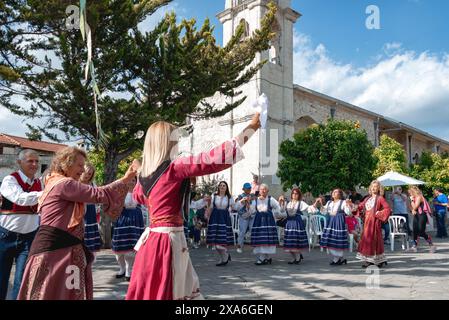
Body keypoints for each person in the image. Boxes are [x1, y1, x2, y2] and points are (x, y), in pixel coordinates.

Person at [126, 113, 261, 300]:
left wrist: (140, 170)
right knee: (173, 292)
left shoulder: (144, 177)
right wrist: (250, 129)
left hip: (153, 241)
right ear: (166, 142)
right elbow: (212, 159)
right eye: (174, 138)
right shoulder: (174, 168)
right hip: (168, 242)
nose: (177, 143)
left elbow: (138, 196)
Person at [17, 147, 137, 300]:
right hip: (56, 250)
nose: (82, 170)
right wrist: (125, 179)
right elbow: (98, 194)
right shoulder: (65, 184)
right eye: (80, 165)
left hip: (59, 249)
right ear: (67, 163)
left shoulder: (54, 180)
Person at [0, 149, 43, 300]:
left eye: (37, 161)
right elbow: (20, 198)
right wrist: (45, 193)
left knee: (22, 281)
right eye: (30, 161)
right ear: (19, 162)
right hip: (5, 236)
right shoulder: (9, 180)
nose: (34, 164)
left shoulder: (40, 183)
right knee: (1, 279)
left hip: (29, 237)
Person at [112, 177, 145, 282]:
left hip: (135, 220)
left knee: (131, 247)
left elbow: (143, 206)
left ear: (136, 182)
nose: (131, 182)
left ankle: (128, 270)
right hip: (122, 219)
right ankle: (121, 268)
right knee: (119, 247)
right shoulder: (121, 192)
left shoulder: (139, 192)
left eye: (133, 180)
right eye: (130, 180)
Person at [356, 180, 391, 268]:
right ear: (370, 188)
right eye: (372, 186)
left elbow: (387, 209)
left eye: (376, 186)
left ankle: (378, 260)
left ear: (379, 188)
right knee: (367, 241)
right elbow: (360, 206)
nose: (374, 188)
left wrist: (378, 214)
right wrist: (351, 206)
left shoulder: (380, 198)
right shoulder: (367, 198)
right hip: (367, 223)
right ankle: (369, 260)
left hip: (374, 223)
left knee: (375, 240)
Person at [281, 188, 318, 264]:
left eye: (296, 193)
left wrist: (315, 204)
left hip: (297, 223)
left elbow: (309, 208)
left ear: (299, 195)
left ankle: (297, 258)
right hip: (289, 224)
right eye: (293, 193)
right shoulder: (288, 203)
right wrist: (281, 202)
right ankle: (295, 257)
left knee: (295, 241)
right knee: (289, 241)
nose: (294, 195)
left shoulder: (301, 203)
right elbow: (282, 211)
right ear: (291, 194)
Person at [205, 181, 237, 266]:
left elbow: (235, 207)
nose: (222, 187)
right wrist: (208, 206)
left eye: (224, 186)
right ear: (218, 187)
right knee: (215, 243)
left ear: (226, 188)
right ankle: (224, 257)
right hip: (215, 219)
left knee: (221, 242)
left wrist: (243, 203)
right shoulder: (214, 196)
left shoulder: (229, 198)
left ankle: (224, 256)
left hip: (224, 219)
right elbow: (210, 207)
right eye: (221, 185)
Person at [249, 184, 282, 265]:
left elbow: (278, 207)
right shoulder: (255, 200)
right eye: (261, 189)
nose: (263, 191)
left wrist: (275, 214)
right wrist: (247, 205)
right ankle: (268, 258)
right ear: (259, 191)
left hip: (268, 222)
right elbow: (252, 211)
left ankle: (262, 258)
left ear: (267, 191)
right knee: (261, 239)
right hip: (259, 222)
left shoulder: (271, 199)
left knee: (266, 239)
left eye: (265, 189)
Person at [319, 189, 353, 266]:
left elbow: (348, 213)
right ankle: (340, 258)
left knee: (338, 239)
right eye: (333, 192)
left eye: (336, 192)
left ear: (340, 194)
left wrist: (348, 205)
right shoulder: (329, 202)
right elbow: (323, 212)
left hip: (339, 223)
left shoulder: (343, 202)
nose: (334, 193)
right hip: (330, 222)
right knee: (330, 239)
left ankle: (337, 259)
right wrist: (321, 203)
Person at [80, 163, 102, 253]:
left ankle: (90, 253)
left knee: (90, 233)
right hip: (79, 210)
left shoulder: (92, 184)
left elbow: (97, 197)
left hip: (91, 211)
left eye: (90, 174)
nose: (87, 175)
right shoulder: (76, 182)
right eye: (86, 172)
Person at [407, 186, 437, 253]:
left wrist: (412, 202)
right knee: (415, 231)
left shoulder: (419, 197)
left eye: (410, 193)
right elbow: (409, 206)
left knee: (421, 231)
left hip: (422, 215)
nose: (409, 194)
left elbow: (415, 207)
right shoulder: (414, 198)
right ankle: (414, 247)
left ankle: (431, 245)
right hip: (416, 215)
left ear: (413, 192)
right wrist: (412, 210)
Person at [235, 182, 255, 253]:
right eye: (247, 188)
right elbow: (236, 207)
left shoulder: (252, 196)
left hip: (251, 215)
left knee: (253, 230)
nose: (249, 189)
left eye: (249, 188)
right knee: (242, 231)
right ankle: (239, 246)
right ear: (243, 189)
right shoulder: (240, 196)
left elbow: (255, 204)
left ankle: (254, 246)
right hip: (243, 216)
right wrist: (242, 201)